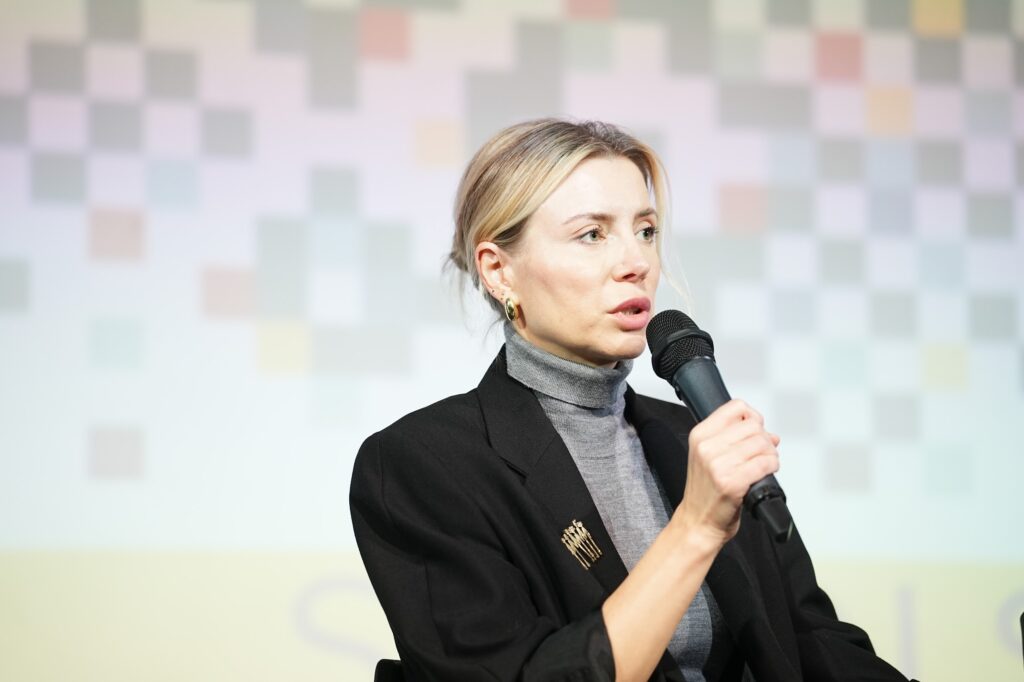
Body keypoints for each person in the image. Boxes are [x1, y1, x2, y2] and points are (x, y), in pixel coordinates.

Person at [350, 119, 911, 681]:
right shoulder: (424, 464)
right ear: (499, 271)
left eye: (645, 231)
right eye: (592, 235)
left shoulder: (689, 436)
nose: (636, 263)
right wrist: (694, 529)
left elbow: (812, 642)